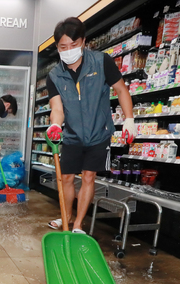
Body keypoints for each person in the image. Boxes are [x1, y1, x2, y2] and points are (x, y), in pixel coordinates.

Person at [45, 17, 136, 232]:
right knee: (66, 177)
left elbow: (122, 90)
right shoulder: (54, 76)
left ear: (84, 42)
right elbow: (56, 108)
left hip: (99, 133)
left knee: (88, 176)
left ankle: (78, 224)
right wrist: (56, 125)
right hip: (72, 135)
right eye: (63, 47)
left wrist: (129, 119)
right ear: (57, 47)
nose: (69, 51)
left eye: (73, 45)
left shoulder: (101, 62)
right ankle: (66, 218)